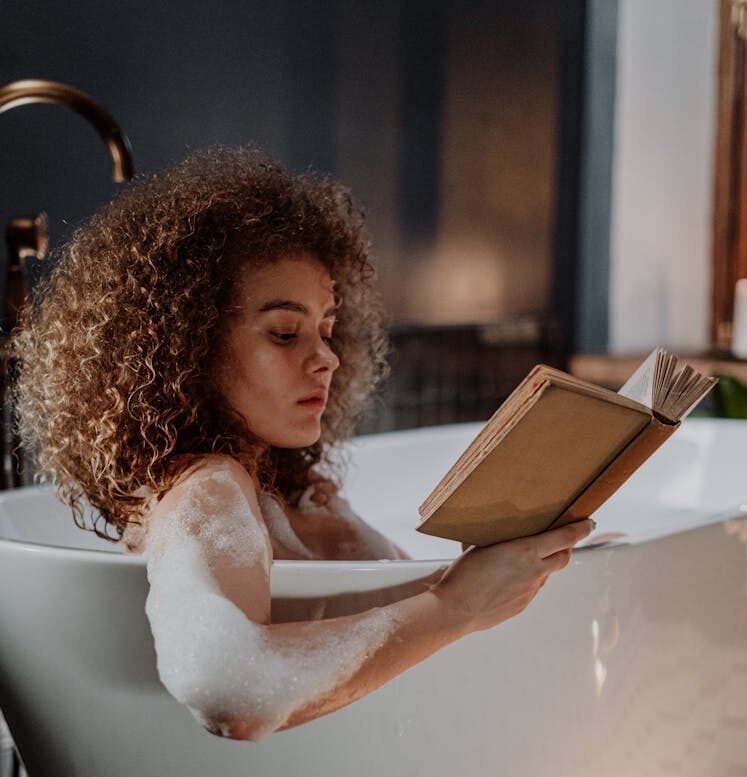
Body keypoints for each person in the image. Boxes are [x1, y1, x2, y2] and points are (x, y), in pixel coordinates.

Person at [13, 147, 592, 740]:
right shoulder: (208, 488)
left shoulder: (294, 489)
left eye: (327, 329)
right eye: (285, 333)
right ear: (185, 349)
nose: (327, 358)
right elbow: (228, 684)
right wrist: (456, 607)